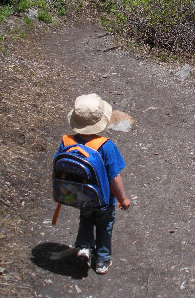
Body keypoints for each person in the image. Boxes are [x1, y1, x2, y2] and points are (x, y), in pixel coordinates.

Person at [58, 93, 131, 275]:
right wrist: (123, 198)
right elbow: (114, 176)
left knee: (85, 219)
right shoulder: (105, 146)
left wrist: (59, 192)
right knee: (104, 227)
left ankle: (84, 247)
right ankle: (102, 260)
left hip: (78, 195)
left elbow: (60, 169)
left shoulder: (66, 142)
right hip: (103, 200)